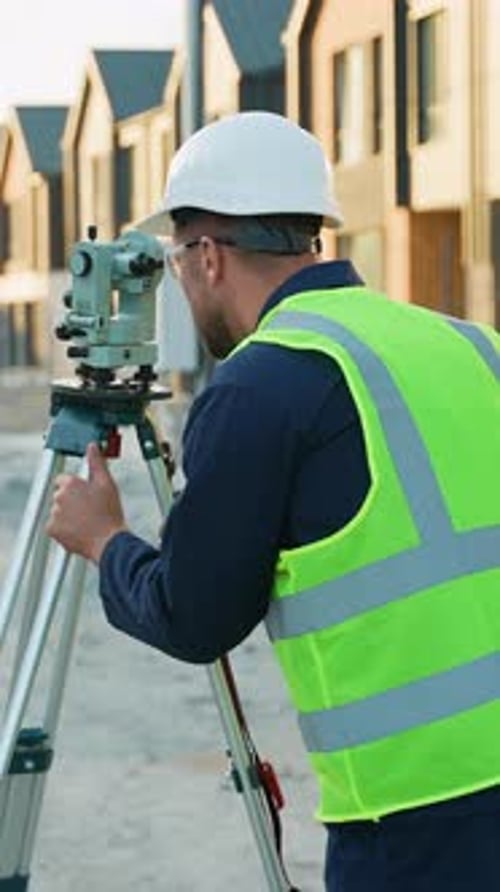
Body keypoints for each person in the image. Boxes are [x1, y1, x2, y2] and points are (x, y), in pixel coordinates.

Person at [47, 111, 500, 892]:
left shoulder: (260, 384)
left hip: (414, 816)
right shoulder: (470, 345)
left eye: (179, 263)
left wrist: (106, 541)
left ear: (210, 257)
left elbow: (197, 617)